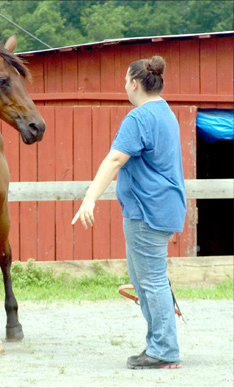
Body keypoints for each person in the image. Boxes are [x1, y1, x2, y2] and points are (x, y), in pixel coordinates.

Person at [72, 55, 186, 369]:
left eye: (125, 80)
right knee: (145, 279)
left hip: (147, 210)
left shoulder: (139, 117)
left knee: (150, 281)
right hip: (160, 207)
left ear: (134, 83)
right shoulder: (165, 112)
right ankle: (159, 345)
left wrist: (89, 198)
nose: (125, 85)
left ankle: (164, 350)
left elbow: (113, 160)